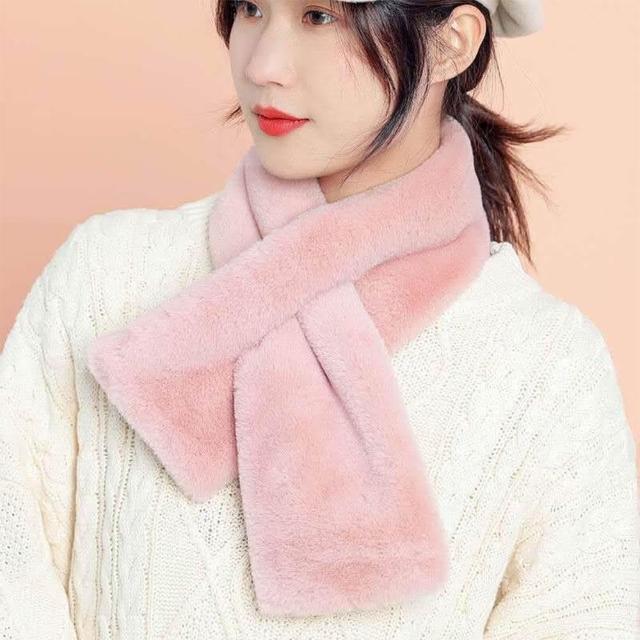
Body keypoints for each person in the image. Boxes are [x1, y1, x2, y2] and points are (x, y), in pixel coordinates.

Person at [1, 1, 638, 638]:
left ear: (451, 43)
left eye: (319, 17)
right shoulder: (107, 276)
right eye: (250, 8)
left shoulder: (544, 364)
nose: (263, 66)